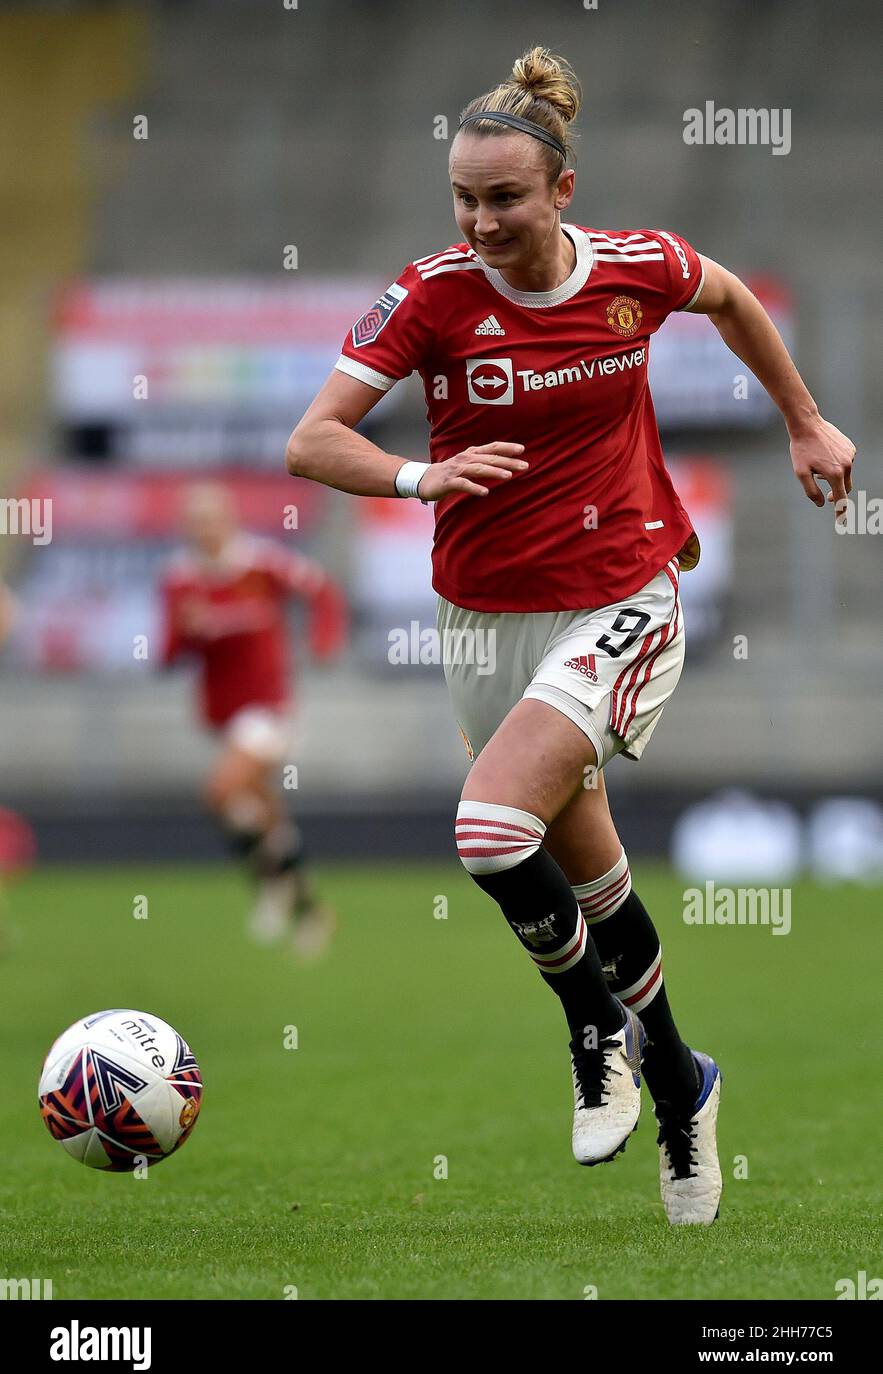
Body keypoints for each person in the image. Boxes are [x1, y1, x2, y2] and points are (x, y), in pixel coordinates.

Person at [285, 48, 854, 1222]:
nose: (481, 220)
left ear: (561, 192)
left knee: (491, 830)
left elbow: (733, 297)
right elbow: (312, 440)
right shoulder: (432, 294)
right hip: (486, 615)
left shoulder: (634, 271)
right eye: (464, 198)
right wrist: (418, 472)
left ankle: (592, 1028)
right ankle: (682, 1078)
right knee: (588, 876)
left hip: (623, 594)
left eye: (504, 197)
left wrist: (804, 421)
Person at [159, 482, 348, 956]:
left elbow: (322, 590)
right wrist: (188, 633)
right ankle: (309, 907)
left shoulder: (262, 564)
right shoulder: (180, 579)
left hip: (270, 707)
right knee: (260, 815)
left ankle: (270, 889)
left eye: (212, 519)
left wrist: (324, 641)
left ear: (230, 520)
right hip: (222, 713)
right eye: (196, 522)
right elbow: (167, 653)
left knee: (222, 791)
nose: (205, 530)